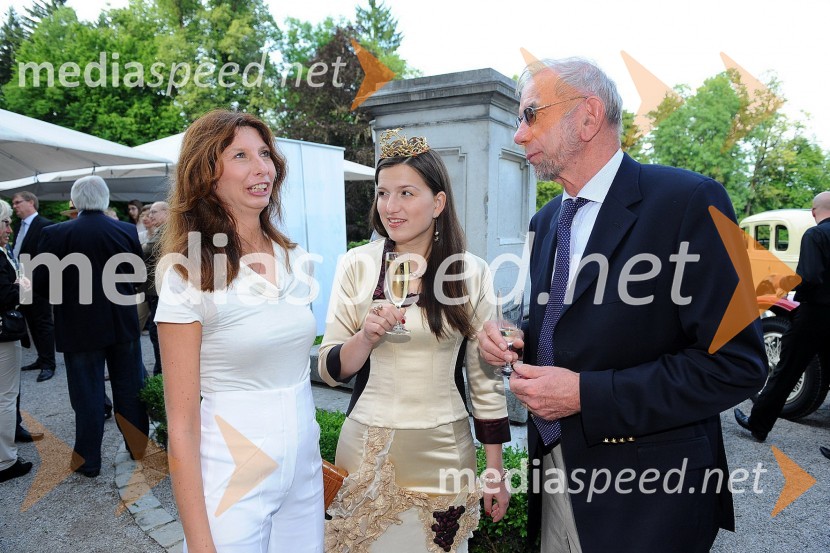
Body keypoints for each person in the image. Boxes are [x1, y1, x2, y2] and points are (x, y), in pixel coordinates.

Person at [477, 58, 766, 553]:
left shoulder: (690, 202)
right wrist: (513, 341)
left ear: (588, 116)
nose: (519, 135)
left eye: (530, 115)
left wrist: (588, 395)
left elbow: (737, 365)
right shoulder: (546, 220)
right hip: (554, 478)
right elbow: (561, 327)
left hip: (650, 505)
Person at [320, 129, 511, 552]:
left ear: (438, 202)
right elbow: (329, 368)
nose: (391, 207)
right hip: (367, 453)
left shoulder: (472, 272)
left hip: (446, 453)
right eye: (382, 193)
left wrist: (495, 468)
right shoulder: (356, 265)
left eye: (406, 193)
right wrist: (365, 338)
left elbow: (484, 377)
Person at [155, 109, 323, 552]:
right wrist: (199, 542)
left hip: (304, 469)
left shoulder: (295, 258)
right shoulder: (187, 274)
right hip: (231, 473)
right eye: (241, 156)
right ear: (206, 173)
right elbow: (181, 426)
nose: (262, 167)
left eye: (265, 154)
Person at [37, 176, 149, 478]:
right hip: (121, 321)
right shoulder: (126, 230)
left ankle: (88, 460)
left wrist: (68, 300)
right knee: (130, 387)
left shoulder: (55, 233)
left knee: (86, 394)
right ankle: (138, 447)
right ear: (105, 198)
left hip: (79, 325)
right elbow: (139, 276)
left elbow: (42, 283)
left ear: (75, 201)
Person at [735, 191, 830, 441]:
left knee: (787, 370)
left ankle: (758, 425)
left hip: (816, 313)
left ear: (814, 211)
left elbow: (810, 277)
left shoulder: (816, 234)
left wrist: (788, 285)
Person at [0, 199, 34, 483]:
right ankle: (5, 461)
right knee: (5, 397)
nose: (9, 229)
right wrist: (22, 285)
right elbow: (5, 295)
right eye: (5, 222)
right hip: (3, 336)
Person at [11, 191, 56, 382]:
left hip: (39, 285)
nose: (14, 206)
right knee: (32, 322)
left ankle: (48, 363)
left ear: (31, 202)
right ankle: (41, 358)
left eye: (17, 202)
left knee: (43, 323)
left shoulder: (45, 225)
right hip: (22, 283)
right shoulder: (18, 226)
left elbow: (49, 258)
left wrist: (37, 283)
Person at [143, 201, 168, 375]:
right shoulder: (161, 230)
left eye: (154, 212)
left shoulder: (167, 230)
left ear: (167, 213)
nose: (150, 216)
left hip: (160, 290)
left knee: (156, 331)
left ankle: (161, 373)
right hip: (157, 289)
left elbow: (149, 249)